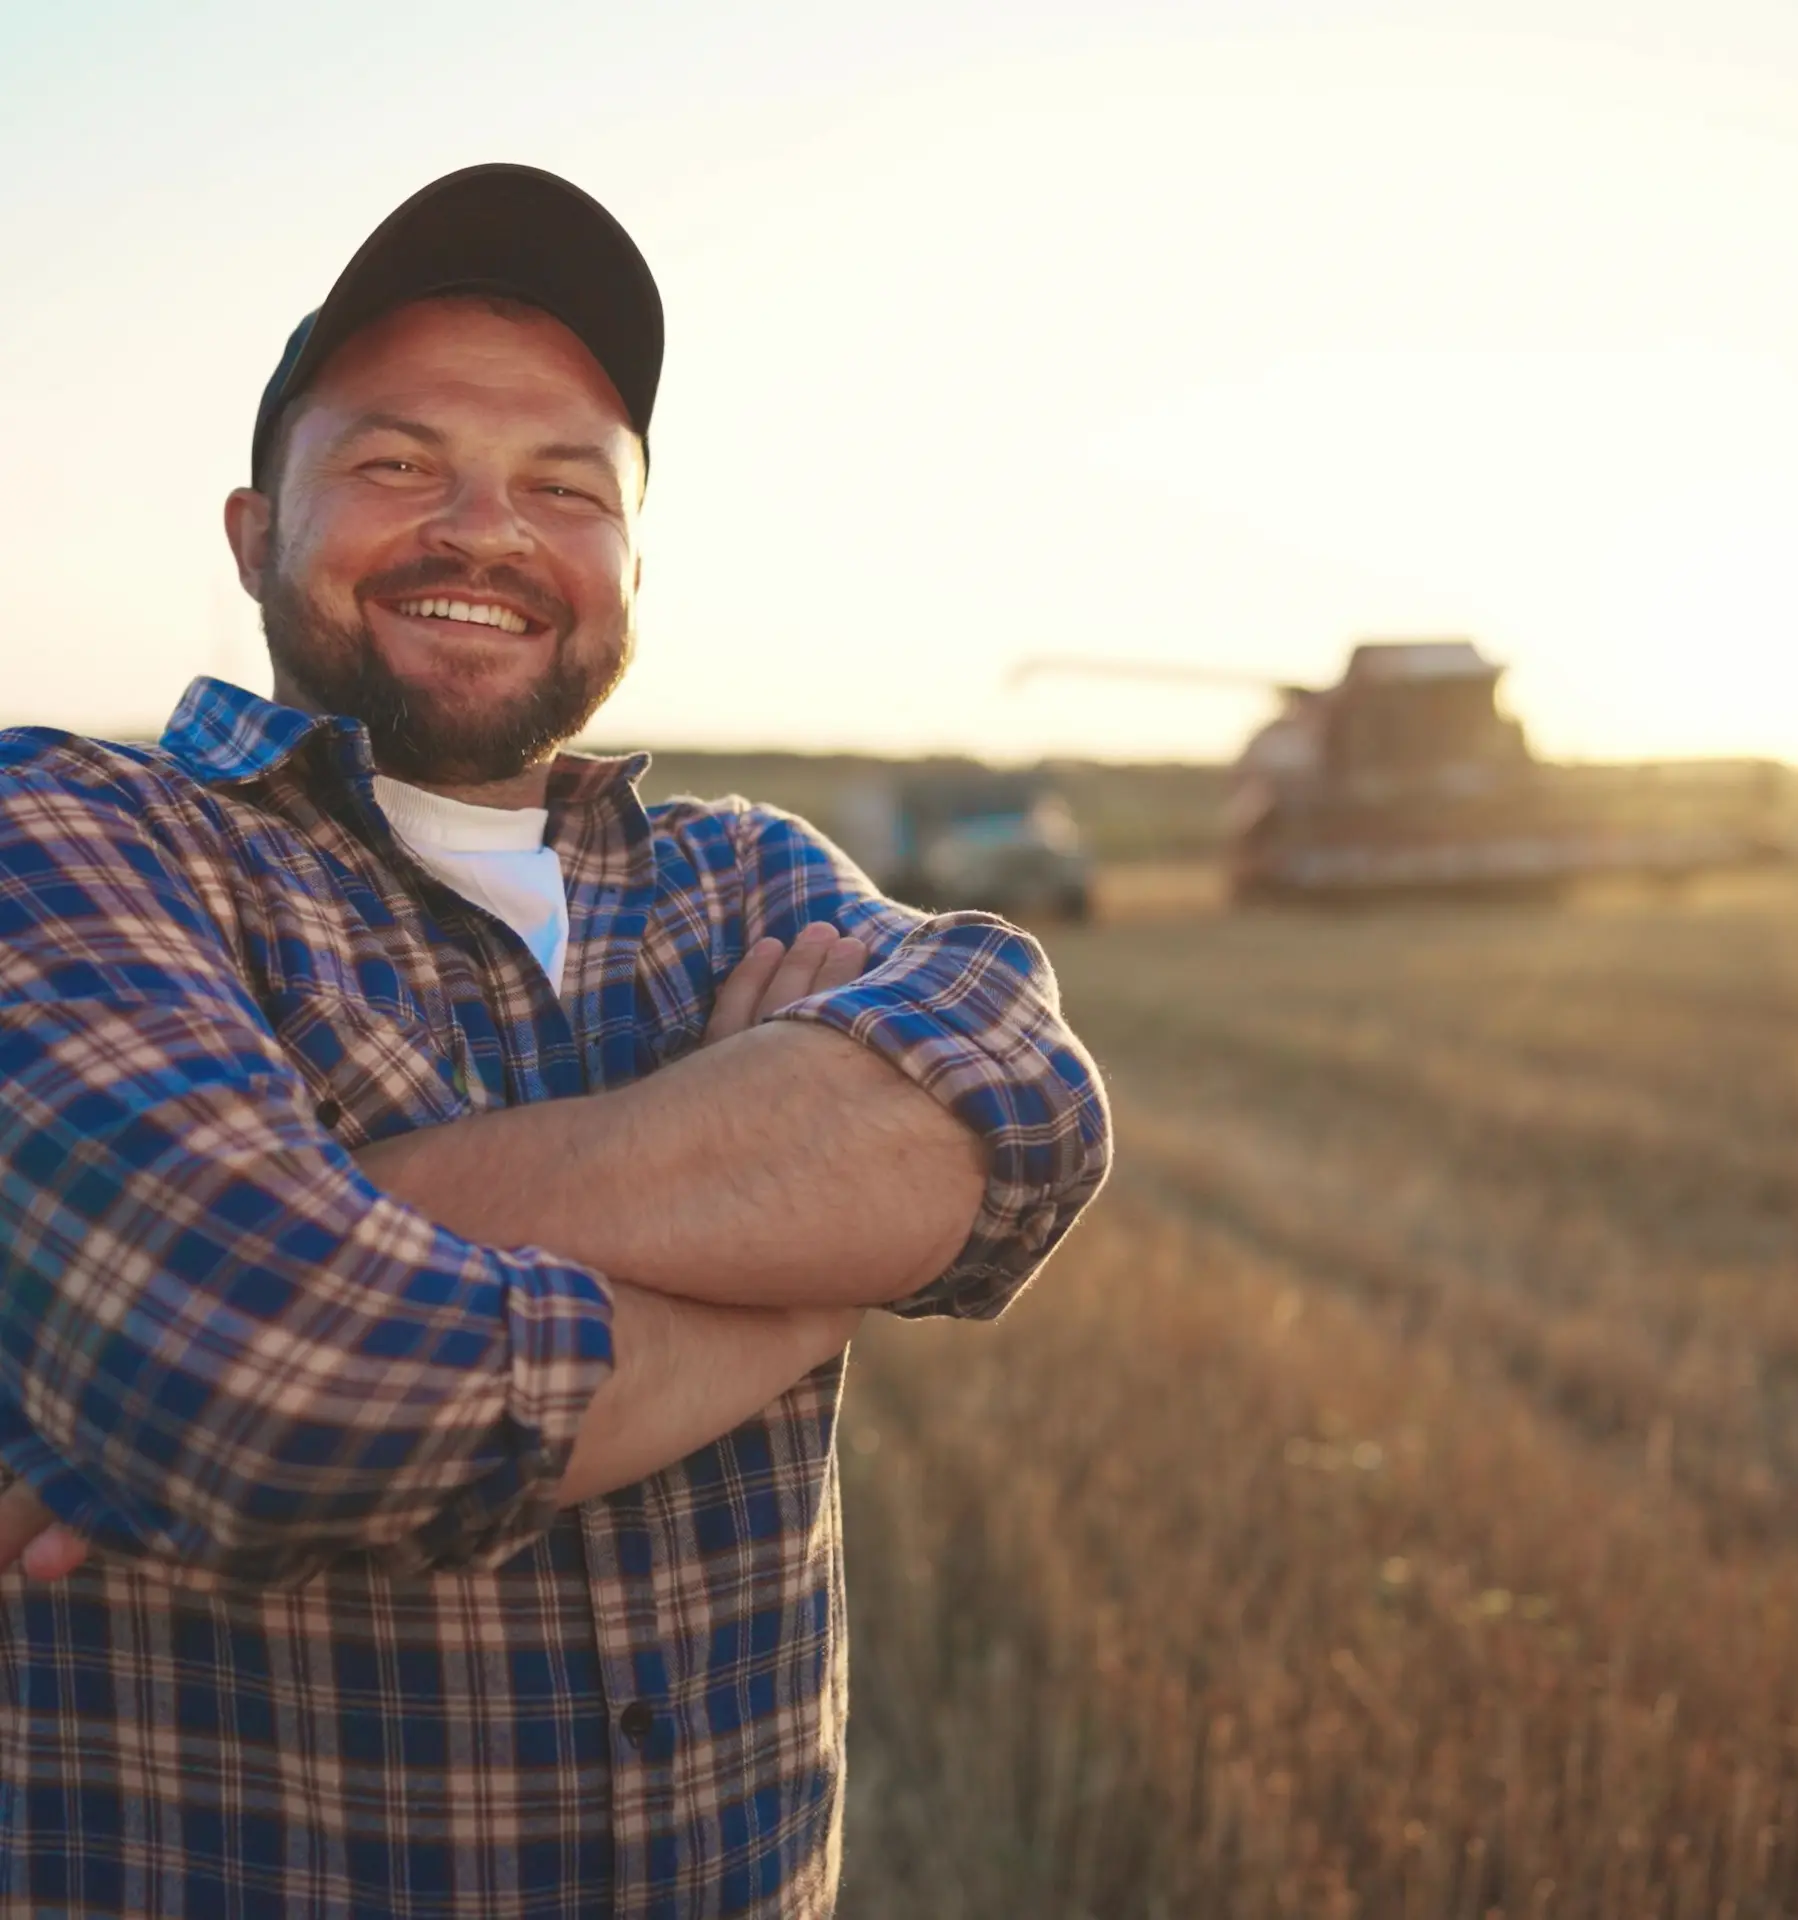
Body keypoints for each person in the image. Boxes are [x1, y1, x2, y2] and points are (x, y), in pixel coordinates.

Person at [0, 164, 1110, 1918]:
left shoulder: (746, 876)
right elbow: (283, 1388)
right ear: (248, 534)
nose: (486, 530)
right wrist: (809, 1267)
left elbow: (1028, 1121)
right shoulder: (71, 836)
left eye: (565, 487)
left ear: (630, 564)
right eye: (395, 464)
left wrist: (342, 1222)